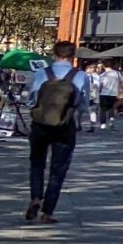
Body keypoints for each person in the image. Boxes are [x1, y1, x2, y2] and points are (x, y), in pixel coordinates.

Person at [24, 40, 89, 223]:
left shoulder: (41, 73)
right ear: (73, 56)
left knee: (37, 164)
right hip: (65, 126)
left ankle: (36, 197)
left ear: (54, 54)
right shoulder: (81, 75)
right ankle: (48, 212)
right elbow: (83, 103)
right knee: (58, 169)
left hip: (40, 125)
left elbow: (31, 100)